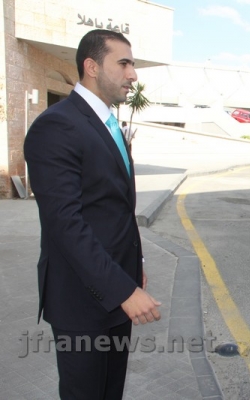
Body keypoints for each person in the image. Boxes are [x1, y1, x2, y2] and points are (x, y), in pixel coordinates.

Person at [24, 29, 161, 399]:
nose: (133, 74)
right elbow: (65, 223)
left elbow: (114, 207)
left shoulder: (108, 124)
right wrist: (122, 289)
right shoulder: (57, 125)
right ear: (92, 66)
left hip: (117, 288)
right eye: (124, 63)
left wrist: (134, 265)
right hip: (81, 300)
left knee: (110, 391)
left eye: (132, 64)